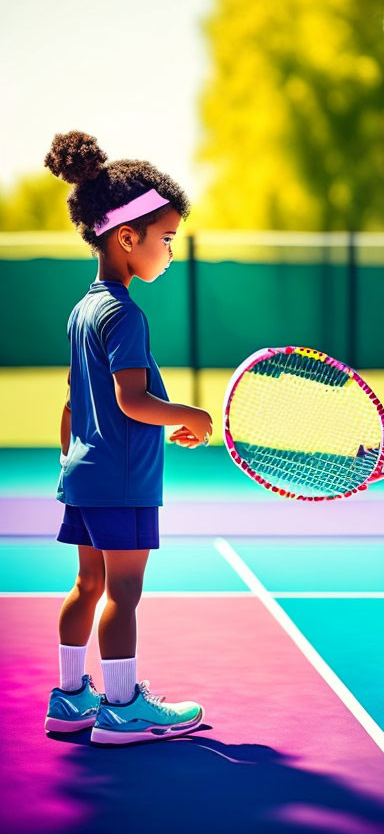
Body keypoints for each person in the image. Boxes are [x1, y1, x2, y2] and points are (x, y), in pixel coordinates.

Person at [43, 131, 213, 745]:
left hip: (85, 475)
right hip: (120, 481)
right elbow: (131, 400)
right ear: (126, 237)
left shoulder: (83, 309)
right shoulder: (125, 313)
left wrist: (71, 461)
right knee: (123, 592)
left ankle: (69, 698)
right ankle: (120, 708)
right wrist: (188, 415)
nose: (169, 250)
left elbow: (72, 403)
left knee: (86, 586)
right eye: (165, 239)